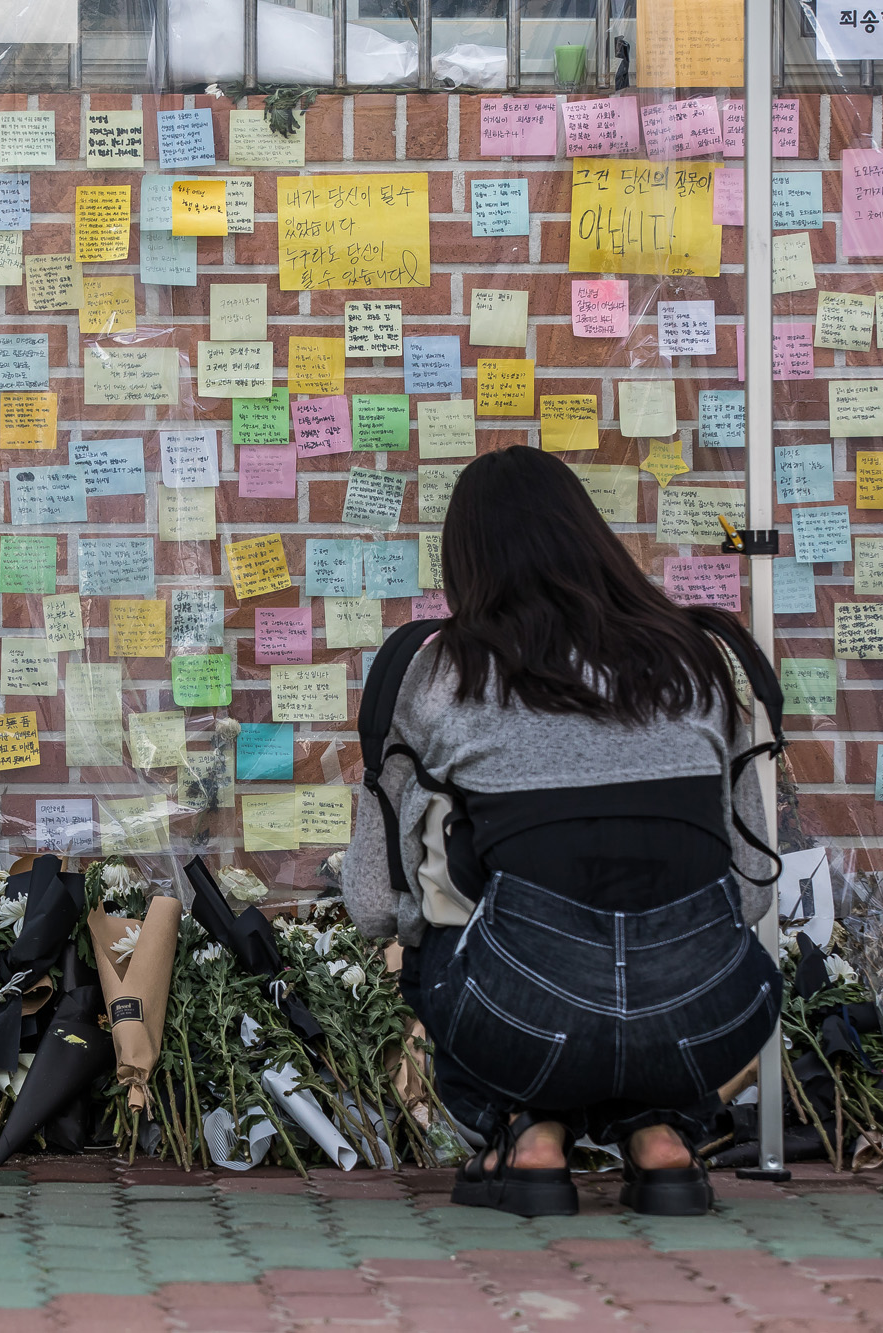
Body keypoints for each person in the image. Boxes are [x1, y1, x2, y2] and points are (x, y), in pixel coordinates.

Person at [342, 446, 784, 1218]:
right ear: (590, 534)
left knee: (436, 939)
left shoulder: (442, 670)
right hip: (712, 1013)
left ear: (466, 557)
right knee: (651, 947)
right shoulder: (702, 658)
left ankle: (529, 1136)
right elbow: (749, 886)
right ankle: (661, 1135)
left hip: (519, 1014)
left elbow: (378, 901)